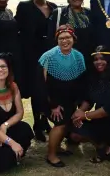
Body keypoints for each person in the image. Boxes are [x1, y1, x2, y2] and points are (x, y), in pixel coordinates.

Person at [70, 46, 110, 163]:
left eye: (102, 58)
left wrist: (85, 116)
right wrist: (80, 111)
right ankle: (101, 145)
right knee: (75, 134)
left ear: (109, 59)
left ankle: (108, 148)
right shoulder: (95, 77)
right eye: (96, 59)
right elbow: (89, 99)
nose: (98, 62)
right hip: (99, 117)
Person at [36, 25, 86, 167]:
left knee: (66, 124)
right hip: (50, 100)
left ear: (74, 39)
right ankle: (51, 155)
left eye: (68, 37)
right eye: (61, 38)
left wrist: (79, 103)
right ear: (56, 40)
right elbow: (41, 85)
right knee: (61, 124)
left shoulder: (78, 56)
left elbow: (82, 81)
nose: (65, 41)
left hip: (69, 100)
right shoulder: (47, 57)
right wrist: (52, 105)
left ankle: (57, 147)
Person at [15, 0, 56, 142]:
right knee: (36, 91)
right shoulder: (24, 7)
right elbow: (16, 27)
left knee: (49, 88)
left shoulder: (54, 7)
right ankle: (38, 125)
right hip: (32, 55)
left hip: (51, 55)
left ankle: (45, 121)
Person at [48, 0, 93, 64]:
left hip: (87, 59)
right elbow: (51, 38)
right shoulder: (59, 13)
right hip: (65, 59)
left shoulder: (89, 13)